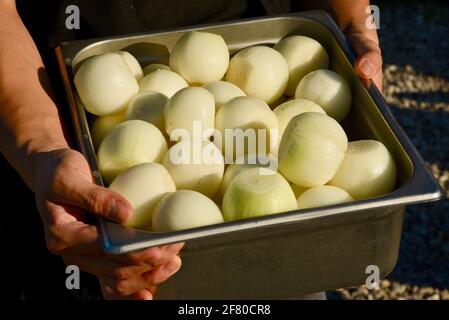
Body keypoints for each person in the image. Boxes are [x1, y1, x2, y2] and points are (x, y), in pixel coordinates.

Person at [0, 0, 382, 300]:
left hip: (279, 245)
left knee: (278, 282)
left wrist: (352, 25)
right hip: (49, 104)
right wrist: (41, 146)